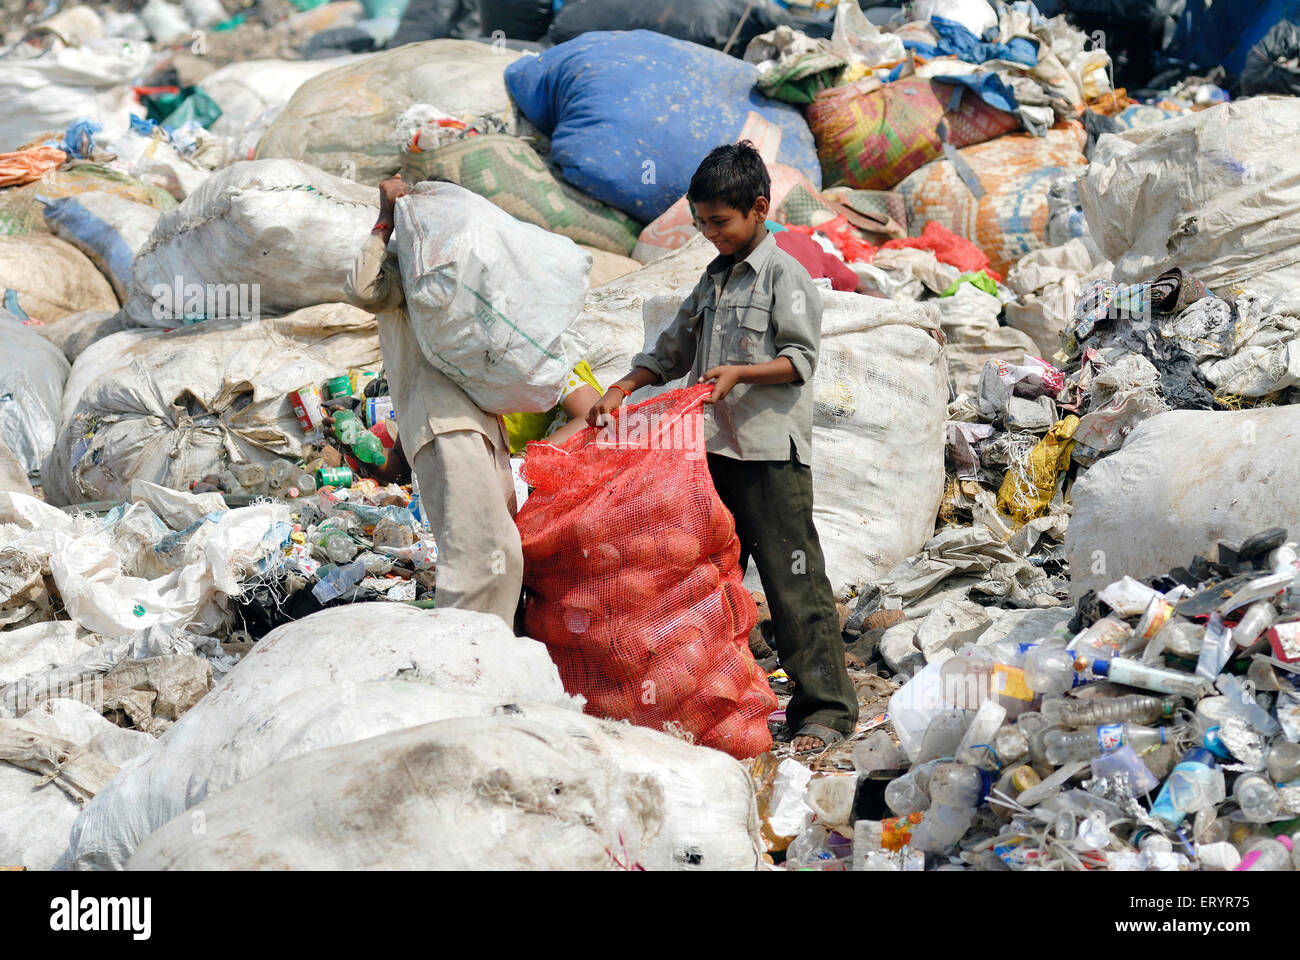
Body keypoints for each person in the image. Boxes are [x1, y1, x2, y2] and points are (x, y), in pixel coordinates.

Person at [587, 141, 859, 754]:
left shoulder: (783, 274)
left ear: (759, 209)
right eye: (702, 223)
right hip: (710, 455)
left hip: (768, 456)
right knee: (708, 585)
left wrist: (739, 373)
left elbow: (799, 361)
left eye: (720, 222)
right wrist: (623, 386)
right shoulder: (713, 279)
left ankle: (828, 709)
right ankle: (716, 701)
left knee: (795, 583)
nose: (710, 234)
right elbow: (672, 348)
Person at [345, 173, 523, 626]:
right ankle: (466, 655)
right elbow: (361, 288)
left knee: (503, 550)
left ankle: (495, 650)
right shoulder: (406, 278)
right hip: (445, 427)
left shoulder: (466, 281)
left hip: (483, 426)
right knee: (477, 556)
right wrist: (385, 219)